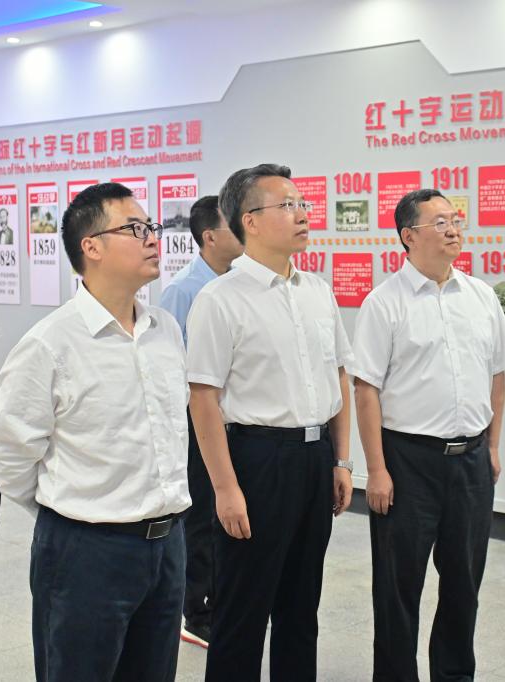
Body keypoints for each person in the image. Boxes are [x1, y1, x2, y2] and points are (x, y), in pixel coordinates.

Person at [0, 182, 190, 682]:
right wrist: (69, 512)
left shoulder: (165, 329)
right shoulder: (50, 344)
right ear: (91, 247)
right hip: (86, 553)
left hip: (167, 545)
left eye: (151, 227)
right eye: (135, 228)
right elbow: (10, 453)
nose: (153, 238)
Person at [187, 163, 353, 682]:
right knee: (242, 610)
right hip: (257, 460)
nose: (303, 214)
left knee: (302, 608)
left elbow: (339, 376)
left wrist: (342, 460)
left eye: (303, 204)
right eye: (287, 205)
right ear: (250, 221)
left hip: (315, 457)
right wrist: (225, 488)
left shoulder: (317, 290)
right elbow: (203, 398)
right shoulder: (220, 299)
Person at [348, 189, 505, 682]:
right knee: (398, 587)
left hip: (471, 461)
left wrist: (493, 446)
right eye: (439, 222)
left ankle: (454, 675)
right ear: (408, 236)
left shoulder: (481, 296)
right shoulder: (384, 303)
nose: (453, 229)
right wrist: (376, 470)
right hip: (408, 462)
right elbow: (366, 390)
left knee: (464, 583)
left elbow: (497, 375)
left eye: (455, 219)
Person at [159, 194, 244, 648]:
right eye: (233, 225)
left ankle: (225, 599)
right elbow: (171, 364)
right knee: (201, 519)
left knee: (231, 513)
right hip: (198, 422)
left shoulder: (241, 284)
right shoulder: (183, 290)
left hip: (238, 424)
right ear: (209, 237)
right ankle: (197, 611)